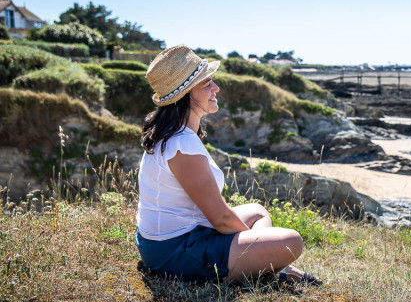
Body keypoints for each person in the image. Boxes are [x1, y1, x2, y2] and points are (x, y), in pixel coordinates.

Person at [135, 45, 320, 286]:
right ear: (186, 95)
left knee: (258, 211)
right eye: (206, 84)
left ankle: (267, 266)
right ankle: (273, 269)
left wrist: (252, 242)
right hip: (174, 253)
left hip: (174, 239)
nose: (216, 88)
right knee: (291, 241)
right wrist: (255, 242)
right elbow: (221, 218)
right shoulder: (181, 144)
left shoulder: (174, 135)